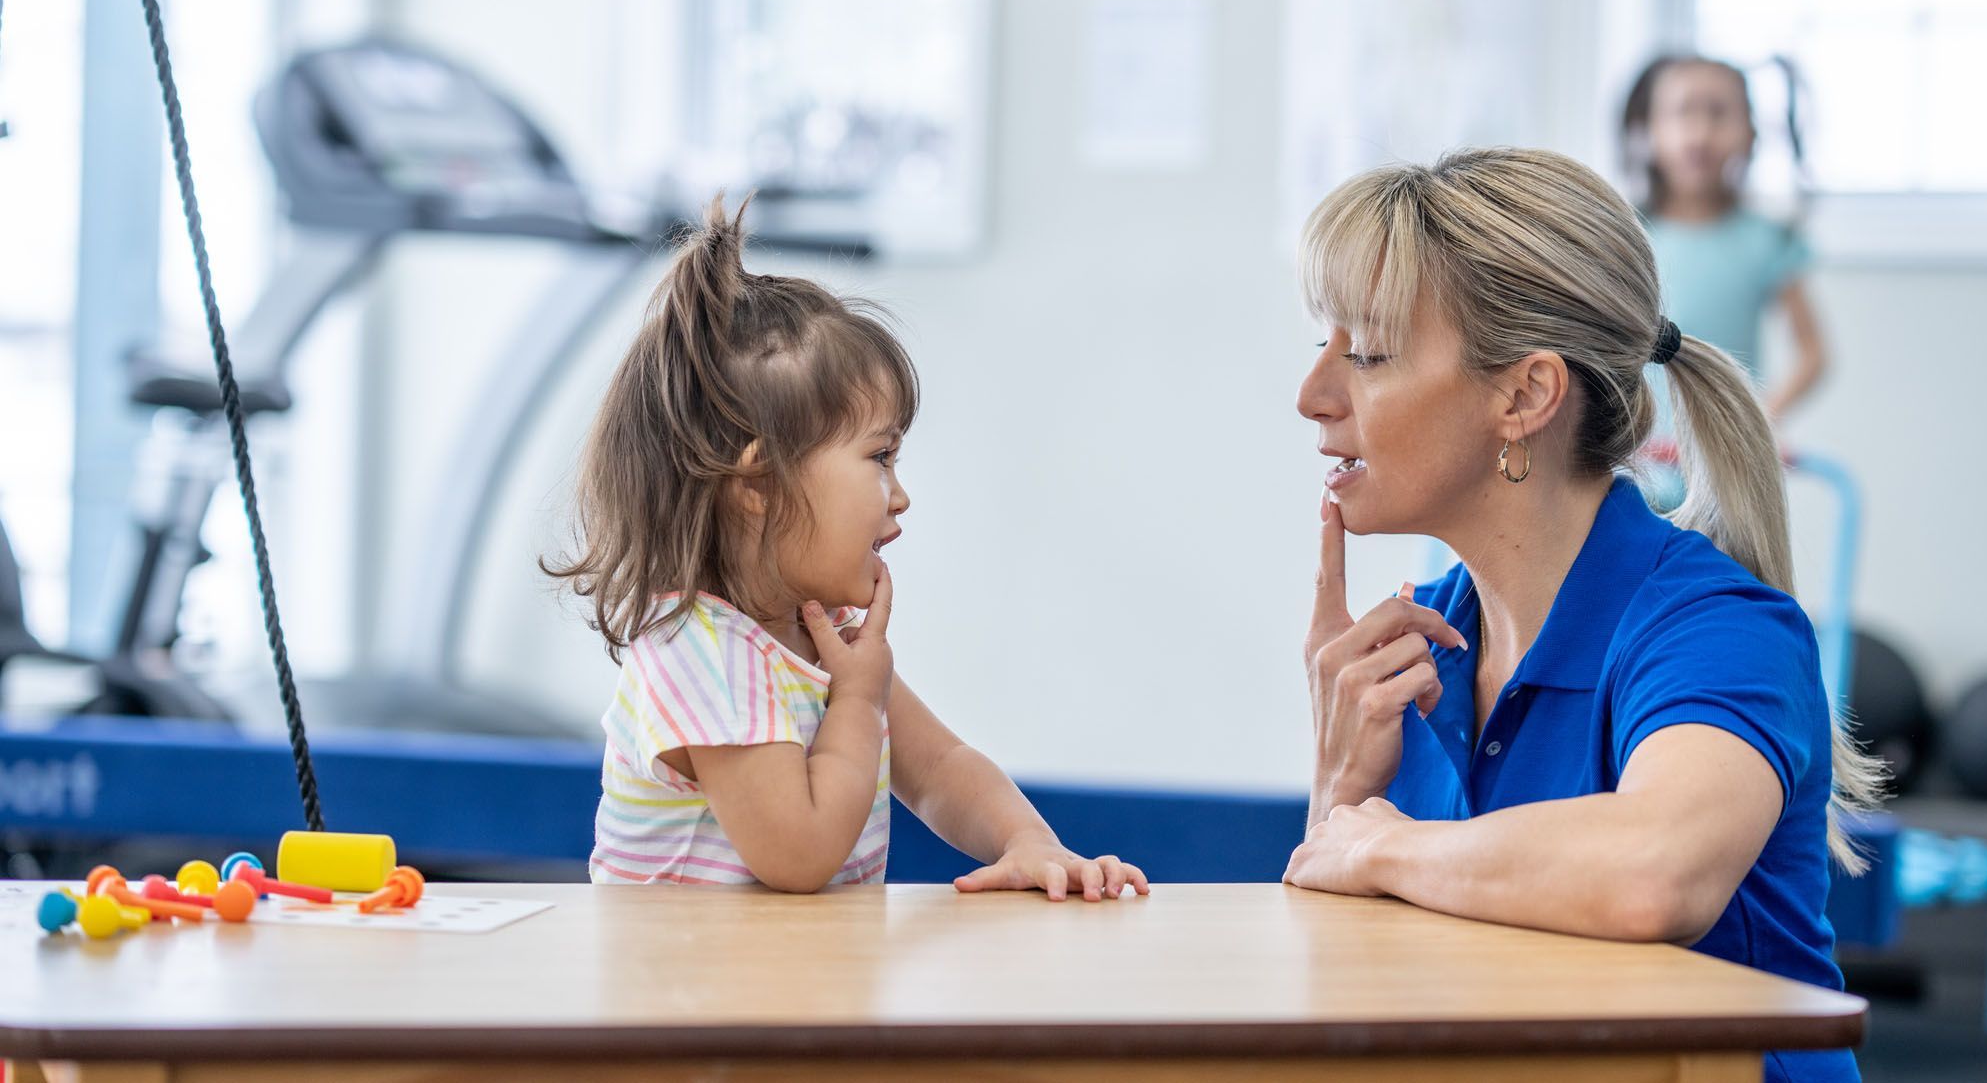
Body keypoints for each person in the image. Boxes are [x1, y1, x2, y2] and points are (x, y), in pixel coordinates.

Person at [1283, 150, 1881, 1083]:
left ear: (1524, 395)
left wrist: (1380, 843)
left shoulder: (1712, 627)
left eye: (1364, 354)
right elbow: (1350, 995)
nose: (1313, 397)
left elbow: (1655, 872)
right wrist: (1336, 791)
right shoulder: (1414, 645)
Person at [549, 197, 1146, 901]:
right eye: (880, 457)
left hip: (785, 993)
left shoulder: (817, 638)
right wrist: (858, 704)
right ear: (759, 484)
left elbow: (944, 767)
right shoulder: (701, 650)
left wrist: (1028, 843)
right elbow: (799, 855)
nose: (899, 496)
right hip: (684, 1004)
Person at [1622, 54, 1827, 421]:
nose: (1700, 133)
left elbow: (1813, 353)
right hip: (1642, 461)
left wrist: (1763, 419)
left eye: (1718, 113)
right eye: (1683, 112)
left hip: (1731, 463)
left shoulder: (1767, 241)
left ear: (1750, 133)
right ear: (1649, 128)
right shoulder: (1626, 234)